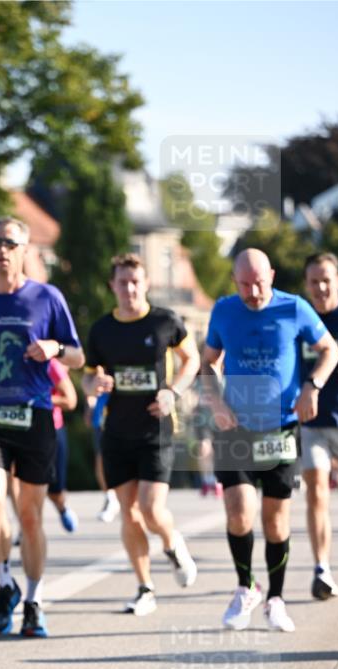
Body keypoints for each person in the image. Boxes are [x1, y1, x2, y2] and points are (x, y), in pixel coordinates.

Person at [202, 248, 338, 632]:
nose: (253, 291)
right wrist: (214, 400)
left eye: (259, 282)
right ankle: (246, 587)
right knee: (238, 509)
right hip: (236, 426)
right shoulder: (225, 311)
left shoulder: (294, 308)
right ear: (235, 282)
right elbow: (208, 361)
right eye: (245, 284)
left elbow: (330, 349)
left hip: (281, 426)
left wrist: (313, 385)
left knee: (276, 520)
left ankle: (276, 598)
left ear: (272, 275)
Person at [0, 216, 84, 637]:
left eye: (10, 243)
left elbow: (78, 357)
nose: (2, 249)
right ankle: (4, 582)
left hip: (34, 415)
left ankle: (33, 598)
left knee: (29, 517)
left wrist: (55, 347)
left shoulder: (47, 297)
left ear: (25, 249)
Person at [83, 253, 199, 615]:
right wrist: (94, 383)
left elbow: (191, 360)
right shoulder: (102, 329)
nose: (129, 288)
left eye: (135, 282)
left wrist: (172, 392)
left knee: (151, 509)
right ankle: (144, 587)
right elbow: (88, 376)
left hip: (156, 429)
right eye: (122, 282)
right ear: (112, 286)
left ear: (145, 283)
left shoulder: (165, 321)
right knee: (129, 514)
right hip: (117, 431)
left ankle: (172, 543)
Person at [301, 251, 338, 597]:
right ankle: (322, 569)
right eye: (313, 281)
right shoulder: (300, 319)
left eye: (326, 279)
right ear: (306, 285)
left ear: (337, 281)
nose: (320, 287)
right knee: (317, 489)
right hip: (311, 422)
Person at [47, 358, 79, 531]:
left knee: (55, 491)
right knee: (17, 483)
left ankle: (62, 508)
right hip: (20, 431)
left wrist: (41, 397)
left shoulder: (51, 365)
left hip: (52, 429)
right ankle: (24, 526)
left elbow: (70, 401)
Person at [86, 392, 121, 522]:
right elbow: (90, 383)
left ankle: (126, 500)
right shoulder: (96, 372)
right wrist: (89, 405)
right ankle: (111, 498)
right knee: (101, 461)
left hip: (124, 417)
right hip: (101, 421)